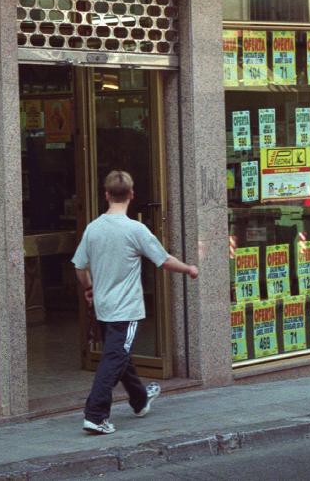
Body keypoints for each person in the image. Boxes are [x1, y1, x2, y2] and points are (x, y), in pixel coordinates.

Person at [73, 170, 199, 435]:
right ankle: (96, 415)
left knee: (120, 355)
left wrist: (89, 288)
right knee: (114, 358)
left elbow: (79, 266)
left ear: (106, 195)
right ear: (131, 195)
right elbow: (163, 260)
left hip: (103, 307)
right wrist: (188, 269)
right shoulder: (135, 229)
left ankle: (140, 400)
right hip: (126, 309)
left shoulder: (93, 229)